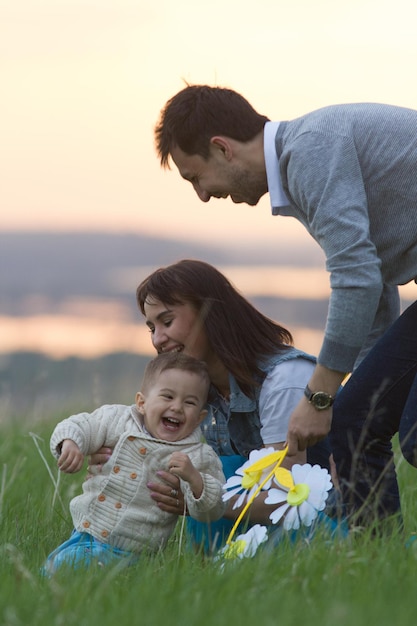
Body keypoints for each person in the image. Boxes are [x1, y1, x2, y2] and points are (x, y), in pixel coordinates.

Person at [153, 85, 417, 519]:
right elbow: (375, 285)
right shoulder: (306, 157)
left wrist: (319, 397)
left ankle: (372, 557)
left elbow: (357, 280)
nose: (201, 195)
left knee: (376, 425)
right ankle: (373, 562)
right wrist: (361, 388)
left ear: (222, 149)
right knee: (361, 419)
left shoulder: (310, 152)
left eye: (195, 177)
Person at [134, 259, 341, 548]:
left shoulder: (284, 379)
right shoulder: (200, 391)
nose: (158, 339)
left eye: (167, 322)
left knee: (219, 471)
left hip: (328, 525)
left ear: (211, 315)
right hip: (257, 525)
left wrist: (201, 499)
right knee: (204, 467)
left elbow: (287, 498)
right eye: (151, 328)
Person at [43, 352, 225, 573]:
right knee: (53, 568)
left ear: (199, 417)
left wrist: (195, 480)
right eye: (168, 397)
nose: (177, 407)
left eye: (189, 402)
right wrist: (70, 443)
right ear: (142, 403)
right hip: (85, 532)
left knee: (63, 570)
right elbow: (83, 425)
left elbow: (213, 509)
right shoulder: (117, 419)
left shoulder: (197, 455)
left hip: (135, 551)